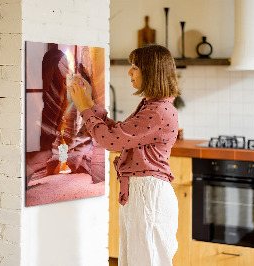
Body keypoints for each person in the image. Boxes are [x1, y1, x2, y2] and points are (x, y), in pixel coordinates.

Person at [68, 44, 180, 266]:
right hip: (143, 193)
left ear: (151, 72)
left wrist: (84, 109)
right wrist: (90, 105)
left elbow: (110, 141)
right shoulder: (152, 106)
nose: (129, 73)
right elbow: (119, 133)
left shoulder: (157, 111)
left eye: (135, 67)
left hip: (148, 195)